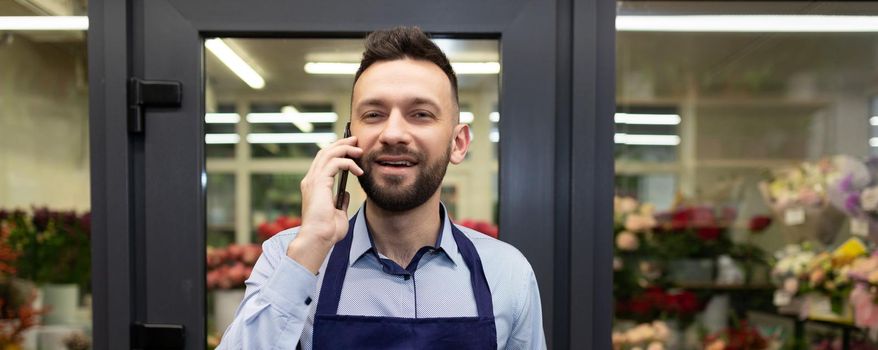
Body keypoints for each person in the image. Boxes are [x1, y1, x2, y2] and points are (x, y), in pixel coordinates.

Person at [218, 26, 545, 350]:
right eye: (374, 114)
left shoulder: (506, 272)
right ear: (349, 137)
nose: (393, 133)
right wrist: (311, 247)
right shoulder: (288, 259)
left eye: (420, 114)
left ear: (458, 143)